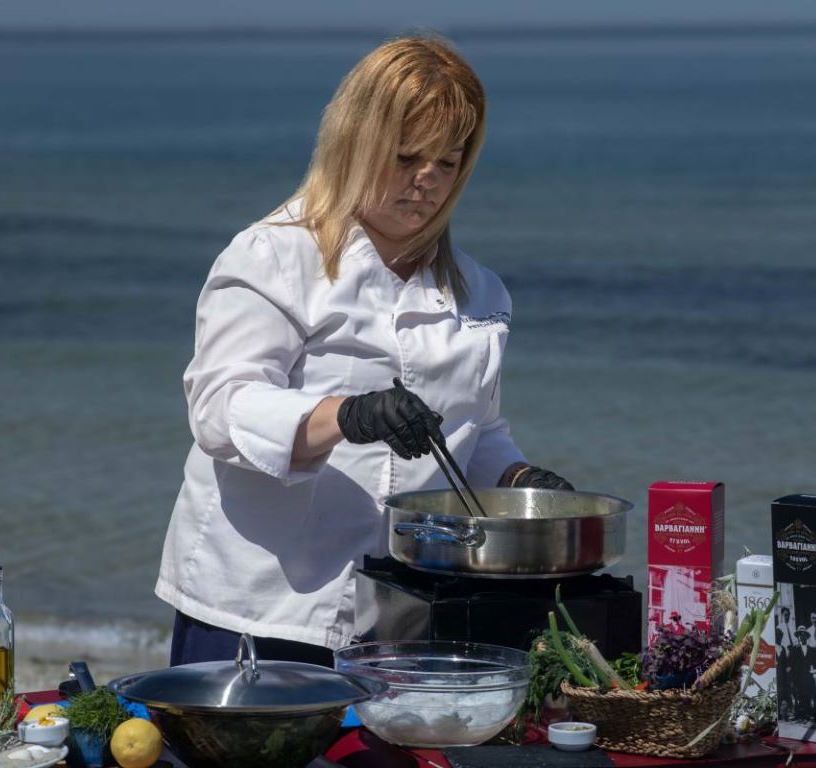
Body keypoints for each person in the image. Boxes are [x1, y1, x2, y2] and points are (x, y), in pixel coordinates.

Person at [154, 36, 573, 667]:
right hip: (261, 606)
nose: (427, 180)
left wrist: (519, 482)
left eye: (448, 161)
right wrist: (347, 415)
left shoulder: (480, 290)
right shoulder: (272, 256)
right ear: (356, 141)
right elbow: (219, 410)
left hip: (405, 610)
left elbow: (473, 431)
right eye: (406, 157)